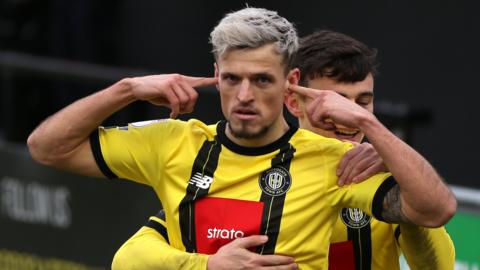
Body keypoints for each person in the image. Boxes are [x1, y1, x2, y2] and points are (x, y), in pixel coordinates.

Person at [27, 7, 456, 270]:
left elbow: (436, 223)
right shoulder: (179, 148)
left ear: (285, 84)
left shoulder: (342, 166)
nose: (346, 119)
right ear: (297, 98)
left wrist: (384, 145)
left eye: (362, 104)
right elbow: (127, 259)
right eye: (233, 79)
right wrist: (126, 89)